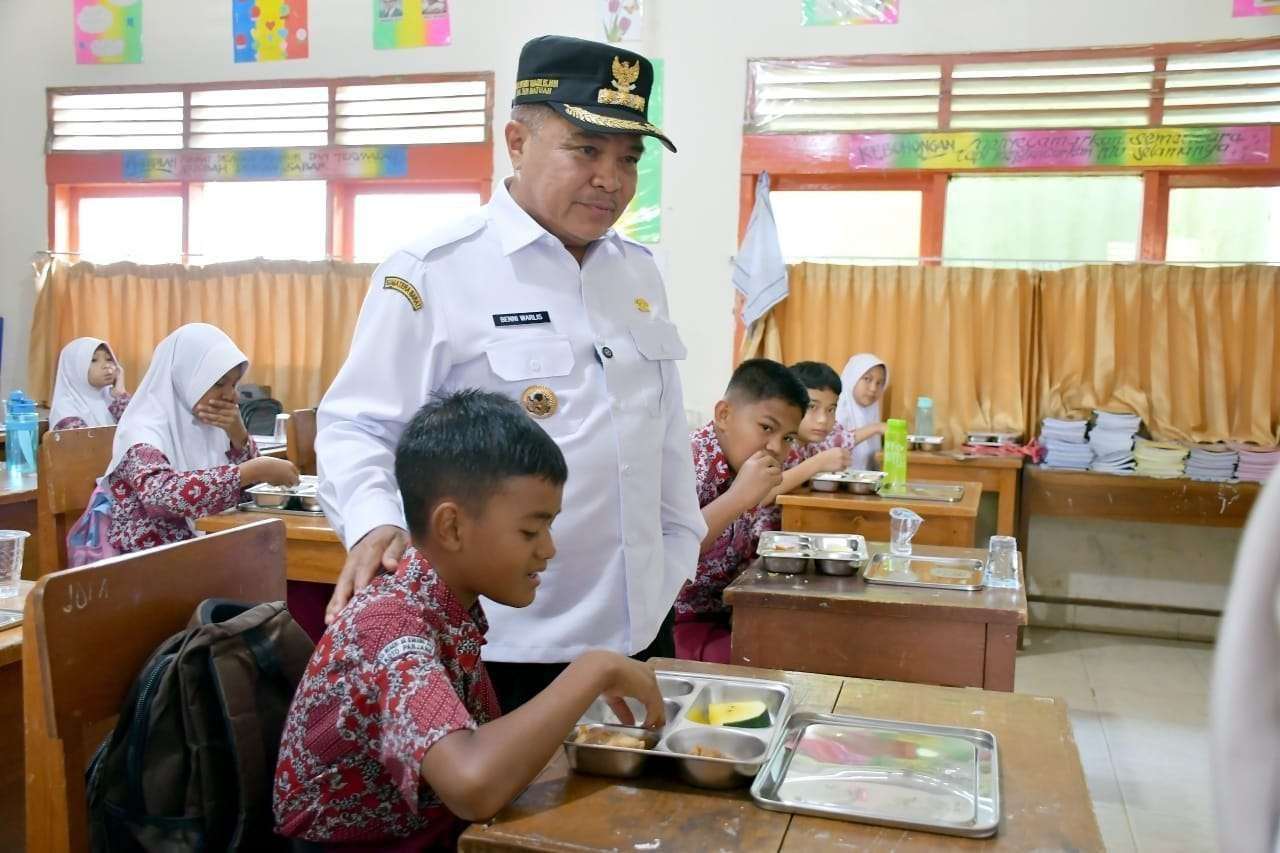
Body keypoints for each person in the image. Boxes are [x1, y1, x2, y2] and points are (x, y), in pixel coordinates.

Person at [314, 35, 704, 712]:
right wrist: (374, 522)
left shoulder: (639, 274)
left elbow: (663, 439)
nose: (610, 179)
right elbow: (358, 425)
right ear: (517, 142)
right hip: (503, 640)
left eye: (628, 158)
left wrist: (678, 555)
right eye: (586, 150)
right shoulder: (436, 271)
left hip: (641, 622)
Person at [274, 390, 664, 849]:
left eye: (549, 526)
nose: (548, 548)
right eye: (530, 530)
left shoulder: (439, 602)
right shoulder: (390, 624)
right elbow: (472, 786)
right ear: (452, 527)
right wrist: (593, 670)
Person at [67, 324, 298, 567]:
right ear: (185, 378)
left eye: (234, 384)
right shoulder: (142, 429)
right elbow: (160, 496)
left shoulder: (212, 425)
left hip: (207, 550)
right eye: (219, 383)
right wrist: (252, 470)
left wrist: (239, 436)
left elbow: (248, 491)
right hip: (151, 565)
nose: (232, 396)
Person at [675, 359, 808, 663]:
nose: (776, 447)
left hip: (728, 609)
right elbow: (667, 553)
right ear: (724, 415)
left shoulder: (743, 464)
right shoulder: (687, 464)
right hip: (677, 620)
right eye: (766, 428)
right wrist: (739, 497)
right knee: (772, 660)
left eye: (788, 438)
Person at [49, 337, 130, 430]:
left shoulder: (113, 399)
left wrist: (120, 394)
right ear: (74, 369)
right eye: (94, 360)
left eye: (109, 359)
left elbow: (137, 430)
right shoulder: (65, 411)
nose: (107, 365)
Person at [836, 352, 890, 471]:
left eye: (879, 383)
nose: (873, 388)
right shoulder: (834, 409)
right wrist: (875, 428)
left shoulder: (872, 411)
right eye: (867, 379)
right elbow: (833, 443)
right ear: (853, 377)